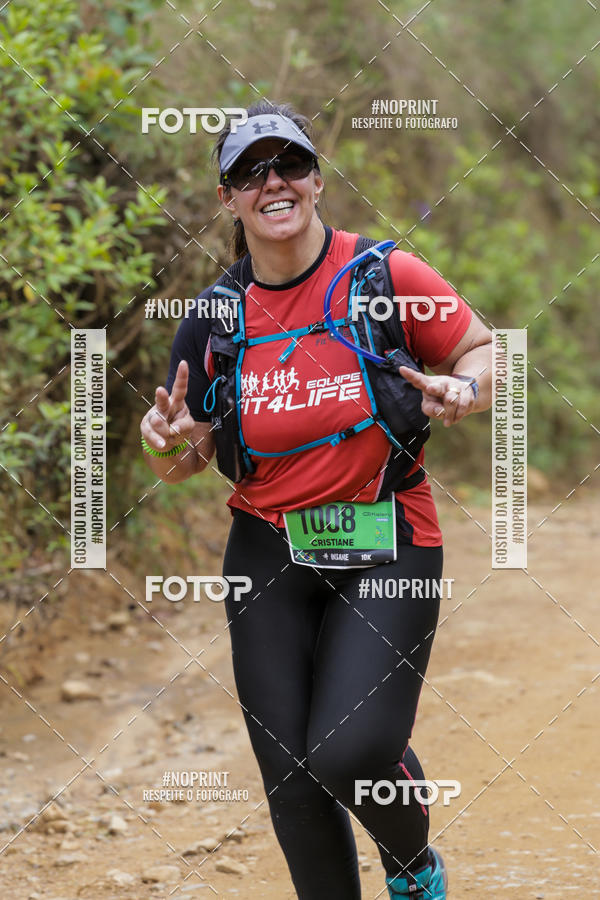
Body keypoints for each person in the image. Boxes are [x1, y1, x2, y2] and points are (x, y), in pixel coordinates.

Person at [140, 99, 493, 899]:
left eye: (289, 164)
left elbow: (481, 345)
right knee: (292, 780)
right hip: (268, 549)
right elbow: (186, 456)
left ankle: (413, 870)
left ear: (316, 179)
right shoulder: (214, 319)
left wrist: (467, 388)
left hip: (389, 536)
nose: (274, 182)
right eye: (250, 171)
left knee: (347, 749)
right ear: (226, 197)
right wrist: (163, 443)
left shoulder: (384, 275)